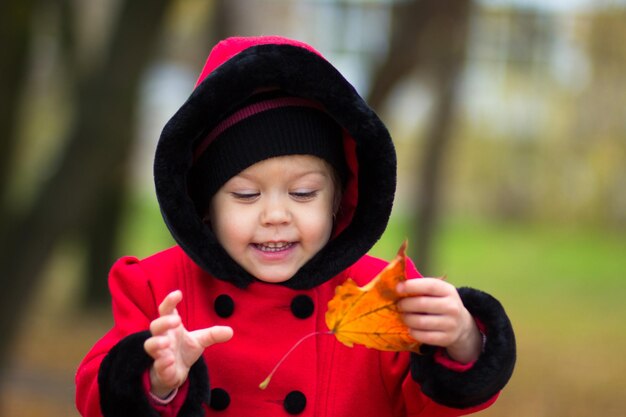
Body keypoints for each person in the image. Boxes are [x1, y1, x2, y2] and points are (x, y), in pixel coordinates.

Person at [75, 36, 515, 417]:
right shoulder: (156, 288)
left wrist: (461, 340)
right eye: (246, 195)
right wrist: (157, 380)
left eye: (303, 194)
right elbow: (93, 396)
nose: (275, 215)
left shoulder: (378, 294)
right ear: (205, 205)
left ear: (338, 200)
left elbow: (430, 406)